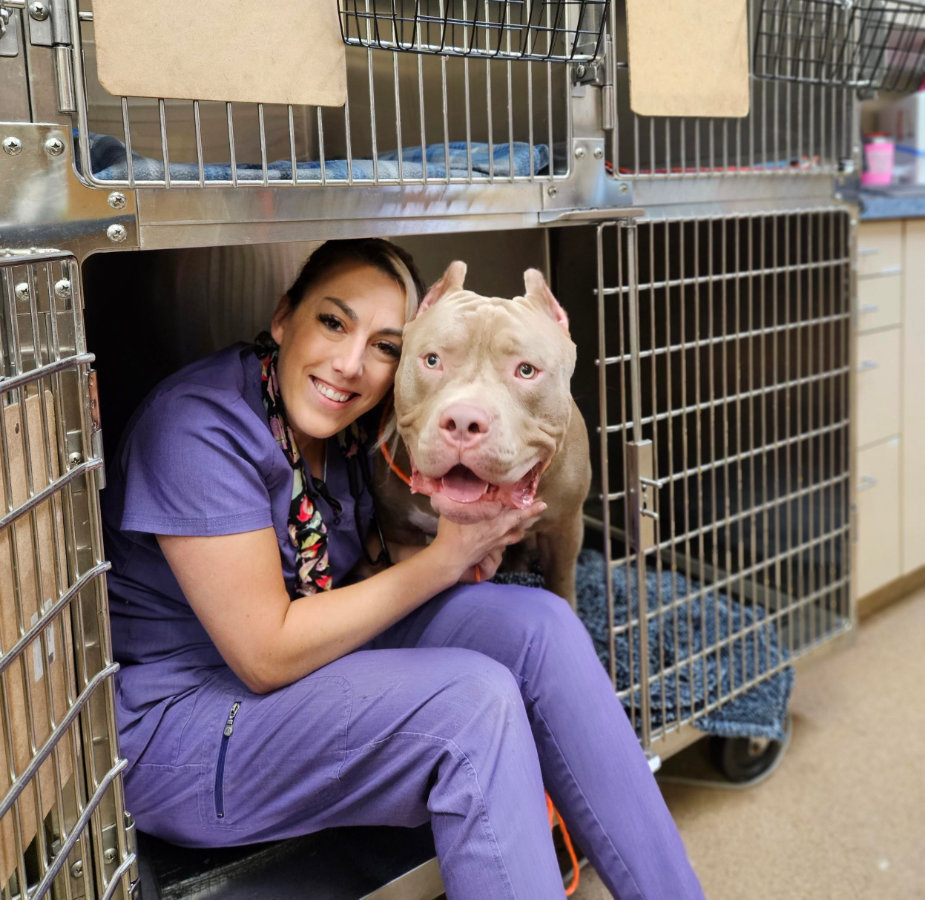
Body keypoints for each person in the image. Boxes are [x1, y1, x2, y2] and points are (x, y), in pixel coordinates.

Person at [102, 238, 704, 899]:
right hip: (189, 734)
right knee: (471, 702)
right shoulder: (198, 427)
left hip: (316, 669)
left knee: (542, 625)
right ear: (283, 318)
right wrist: (448, 558)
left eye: (385, 346)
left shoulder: (354, 427)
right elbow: (265, 654)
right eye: (333, 322)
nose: (351, 364)